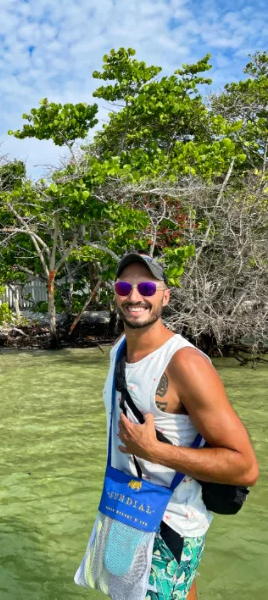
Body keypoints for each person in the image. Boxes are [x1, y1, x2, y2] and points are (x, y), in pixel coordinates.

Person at [105, 252, 258, 600]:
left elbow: (245, 467)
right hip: (124, 508)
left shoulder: (186, 364)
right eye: (124, 286)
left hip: (169, 524)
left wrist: (156, 451)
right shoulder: (118, 352)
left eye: (146, 286)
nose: (134, 296)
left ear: (165, 296)